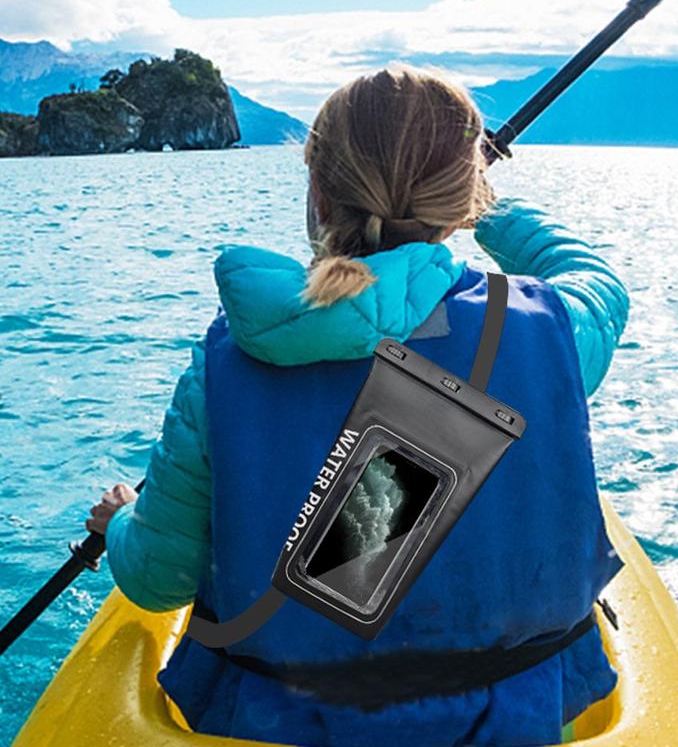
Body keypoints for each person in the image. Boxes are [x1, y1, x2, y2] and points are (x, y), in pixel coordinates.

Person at [87, 64, 629, 747]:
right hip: (514, 720)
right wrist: (488, 205)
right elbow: (597, 282)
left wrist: (122, 520)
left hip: (276, 723)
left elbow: (157, 579)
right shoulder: (553, 331)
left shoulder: (226, 362)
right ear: (464, 194)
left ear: (318, 192)